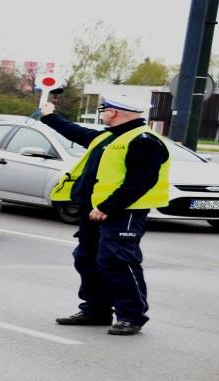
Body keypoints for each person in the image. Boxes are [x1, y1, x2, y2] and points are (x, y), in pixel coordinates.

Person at [40, 94, 170, 335]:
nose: (103, 113)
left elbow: (141, 181)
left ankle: (131, 316)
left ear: (113, 113)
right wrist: (49, 117)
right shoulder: (107, 137)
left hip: (123, 212)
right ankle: (96, 310)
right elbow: (76, 133)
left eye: (105, 109)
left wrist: (108, 207)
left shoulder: (144, 140)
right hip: (95, 210)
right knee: (86, 258)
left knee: (117, 261)